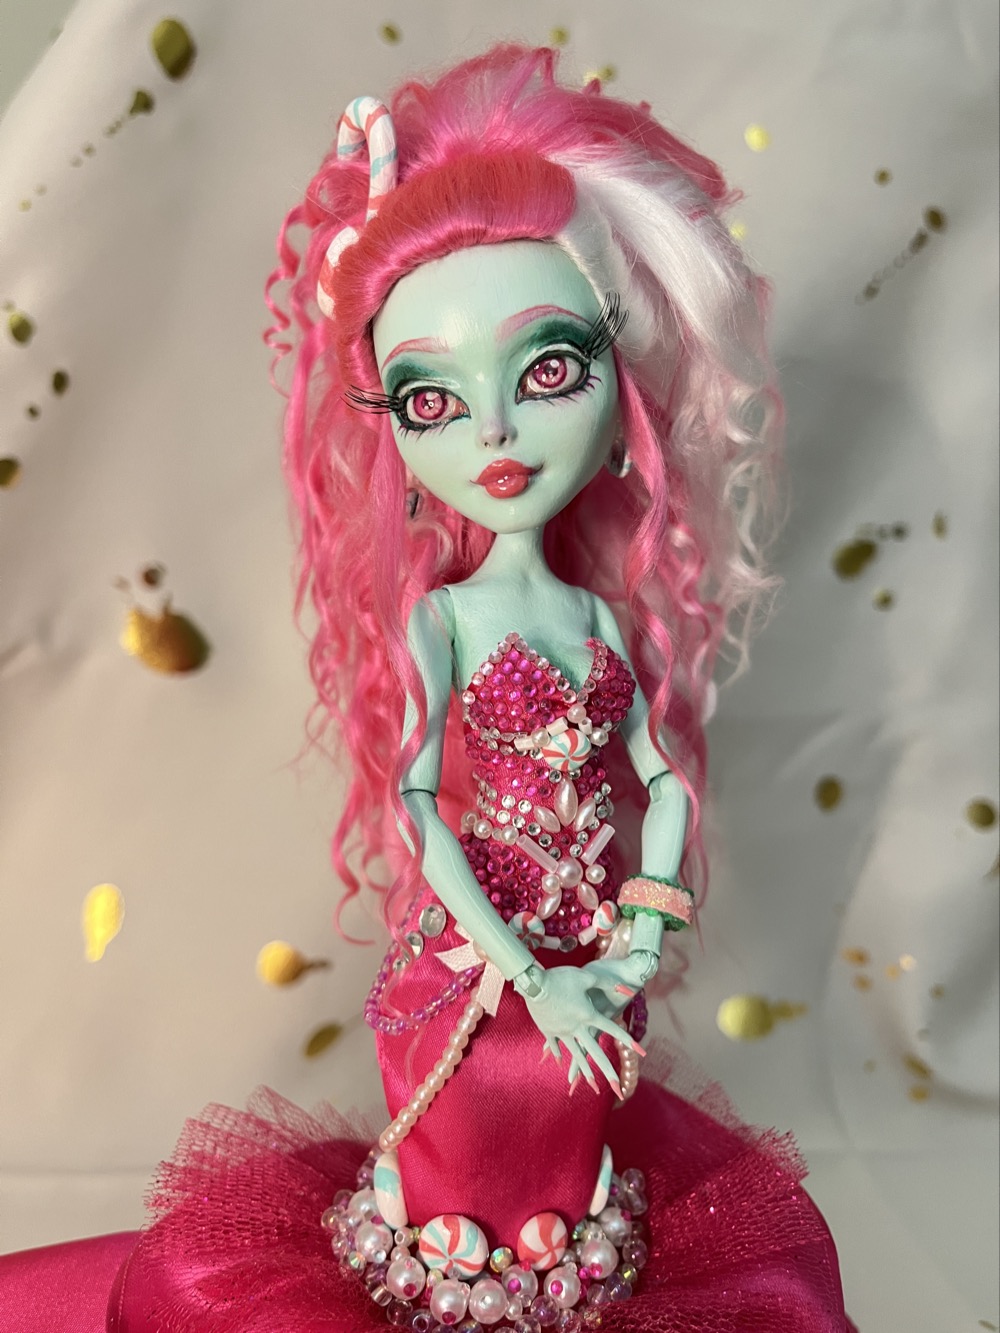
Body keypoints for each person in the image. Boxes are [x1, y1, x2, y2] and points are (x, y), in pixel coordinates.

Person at [2, 44, 855, 1333]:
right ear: (396, 433)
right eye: (432, 399)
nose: (494, 434)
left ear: (620, 394)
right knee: (478, 1138)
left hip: (587, 957)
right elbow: (418, 808)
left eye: (546, 371)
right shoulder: (444, 619)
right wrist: (525, 971)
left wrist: (635, 936)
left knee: (573, 1157)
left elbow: (663, 780)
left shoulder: (599, 621)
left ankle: (543, 1272)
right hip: (474, 977)